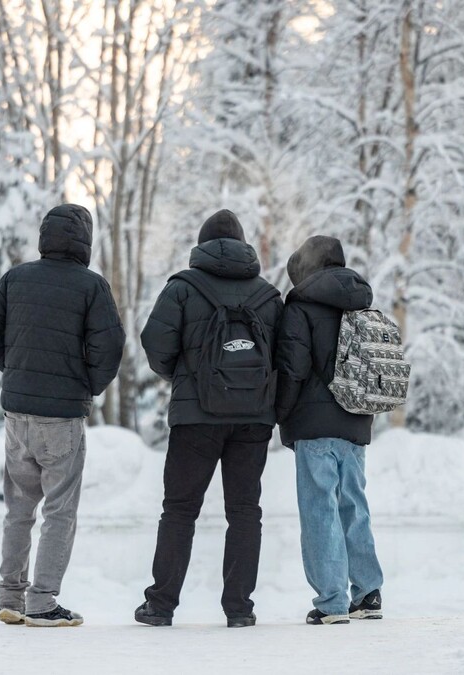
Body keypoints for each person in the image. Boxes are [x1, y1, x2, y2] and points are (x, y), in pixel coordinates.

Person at [0, 204, 126, 628]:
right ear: (84, 242)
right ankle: (41, 602)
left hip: (17, 413)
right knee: (60, 509)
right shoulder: (92, 287)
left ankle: (10, 598)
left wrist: (18, 370)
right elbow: (110, 347)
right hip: (61, 418)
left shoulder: (15, 278)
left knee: (18, 507)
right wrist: (86, 385)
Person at [135, 209, 283, 628]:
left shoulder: (183, 288)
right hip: (253, 420)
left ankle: (161, 606)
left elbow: (155, 342)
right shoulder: (268, 295)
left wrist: (185, 377)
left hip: (195, 416)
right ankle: (239, 609)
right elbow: (285, 359)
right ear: (244, 245)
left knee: (179, 510)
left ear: (201, 246)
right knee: (245, 511)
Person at [275, 235, 383, 625]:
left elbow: (293, 367)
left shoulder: (300, 307)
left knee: (320, 509)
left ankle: (332, 600)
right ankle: (368, 592)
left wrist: (280, 413)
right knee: (354, 505)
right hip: (356, 418)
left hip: (313, 423)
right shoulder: (361, 300)